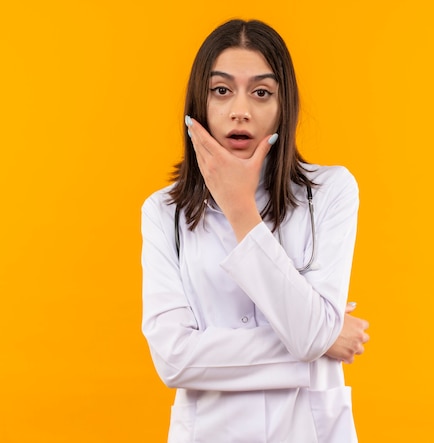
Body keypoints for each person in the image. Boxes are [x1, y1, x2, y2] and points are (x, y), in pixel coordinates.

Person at [141, 19, 370, 443]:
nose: (240, 110)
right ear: (199, 103)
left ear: (285, 105)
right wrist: (319, 342)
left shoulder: (332, 192)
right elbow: (173, 360)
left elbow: (310, 334)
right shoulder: (163, 213)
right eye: (222, 90)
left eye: (261, 92)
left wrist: (240, 209)